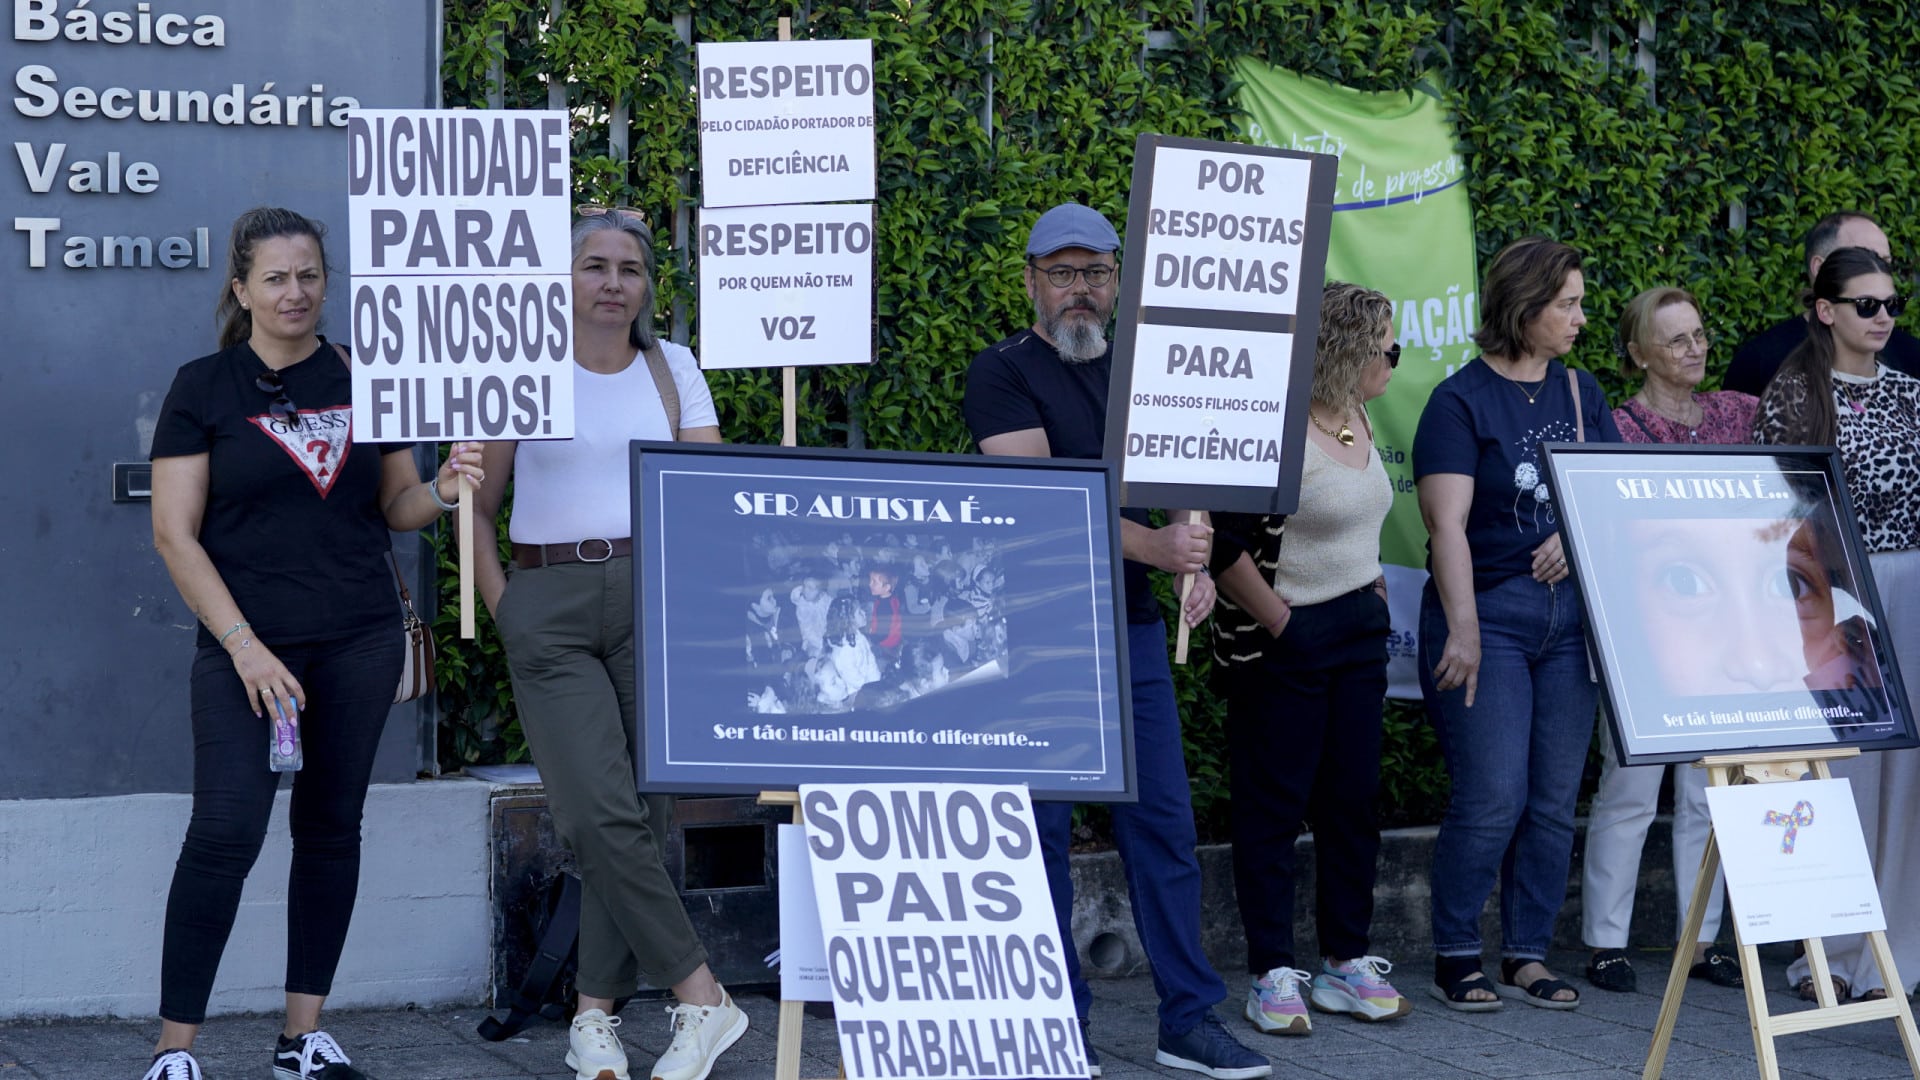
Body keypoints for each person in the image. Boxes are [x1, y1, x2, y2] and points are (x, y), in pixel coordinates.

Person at [146, 207, 485, 1080]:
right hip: (245, 649)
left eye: (309, 276)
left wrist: (446, 488)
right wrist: (245, 647)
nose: (294, 292)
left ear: (327, 282)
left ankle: (301, 1039)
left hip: (358, 639)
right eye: (275, 278)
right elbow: (175, 536)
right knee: (223, 832)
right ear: (241, 290)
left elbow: (397, 507)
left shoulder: (371, 378)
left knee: (331, 828)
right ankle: (174, 1052)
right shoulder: (202, 387)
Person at [963, 203, 1270, 1079]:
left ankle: (1189, 1020)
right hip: (1039, 634)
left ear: (1118, 280)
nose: (1080, 291)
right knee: (1046, 835)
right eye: (1061, 273)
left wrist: (1195, 547)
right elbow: (1038, 497)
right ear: (1030, 281)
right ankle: (1058, 1024)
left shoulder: (1146, 368)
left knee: (1165, 829)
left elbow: (1180, 467)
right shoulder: (1003, 372)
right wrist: (1156, 547)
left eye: (1096, 272)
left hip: (1134, 632)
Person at [471, 208, 748, 1080]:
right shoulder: (521, 369)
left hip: (653, 596)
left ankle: (594, 1017)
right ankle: (702, 994)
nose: (612, 281)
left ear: (646, 286)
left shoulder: (674, 371)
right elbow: (475, 500)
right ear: (565, 279)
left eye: (629, 268)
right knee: (597, 812)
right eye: (594, 264)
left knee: (643, 814)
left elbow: (706, 492)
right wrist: (503, 603)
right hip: (545, 598)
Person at [1413, 236, 1620, 1012]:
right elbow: (1447, 529)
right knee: (1494, 792)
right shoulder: (1458, 400)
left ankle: (1527, 954)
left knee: (1553, 797)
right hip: (1489, 618)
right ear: (1523, 306)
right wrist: (1462, 629)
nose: (1580, 317)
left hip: (1570, 626)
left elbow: (1609, 491)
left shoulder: (1580, 392)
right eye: (1566, 303)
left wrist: (1572, 531)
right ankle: (1457, 953)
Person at [1207, 283, 1411, 1036]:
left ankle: (1343, 962)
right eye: (1384, 346)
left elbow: (1360, 520)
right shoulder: (1272, 429)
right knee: (1273, 806)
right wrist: (1287, 625)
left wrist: (1378, 592)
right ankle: (1270, 972)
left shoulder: (1358, 415)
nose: (1394, 358)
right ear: (1345, 352)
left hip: (1360, 632)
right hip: (1286, 640)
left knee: (1352, 800)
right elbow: (1225, 545)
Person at [1753, 245, 1920, 1003]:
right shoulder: (1793, 393)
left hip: (1913, 587)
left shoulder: (1914, 396)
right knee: (1840, 773)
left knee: (1906, 776)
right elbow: (1770, 511)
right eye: (1867, 305)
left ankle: (1898, 950)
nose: (1883, 318)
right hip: (1833, 595)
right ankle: (1830, 953)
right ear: (1826, 311)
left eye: (1891, 305)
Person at [1579, 287, 1754, 995]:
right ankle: (1605, 942)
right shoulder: (1616, 428)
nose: (1695, 348)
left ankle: (1701, 940)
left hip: (1722, 633)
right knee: (1628, 789)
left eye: (1700, 333)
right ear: (1637, 353)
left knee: (1710, 794)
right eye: (1676, 338)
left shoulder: (1738, 415)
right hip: (1641, 632)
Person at [1725, 211, 1920, 396]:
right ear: (1820, 267)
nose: (1877, 270)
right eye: (1862, 259)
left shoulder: (1911, 357)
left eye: (1885, 262)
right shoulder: (1759, 361)